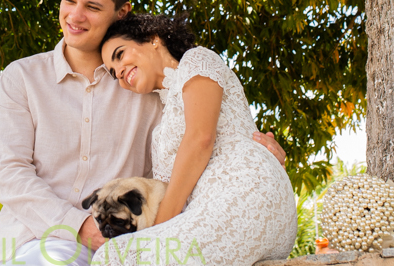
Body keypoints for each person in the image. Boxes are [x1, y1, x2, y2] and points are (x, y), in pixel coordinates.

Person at [0, 0, 286, 266]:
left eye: (92, 6)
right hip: (11, 241)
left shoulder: (148, 90)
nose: (74, 16)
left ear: (122, 12)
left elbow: (197, 147)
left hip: (103, 245)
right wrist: (77, 225)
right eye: (69, 0)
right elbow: (8, 172)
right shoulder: (22, 77)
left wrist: (255, 151)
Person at [93, 14, 297, 266]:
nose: (120, 73)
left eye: (120, 55)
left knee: (116, 256)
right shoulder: (162, 123)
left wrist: (158, 228)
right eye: (114, 74)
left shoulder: (196, 60)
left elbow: (201, 138)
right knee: (115, 254)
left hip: (247, 194)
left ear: (153, 39)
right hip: (207, 209)